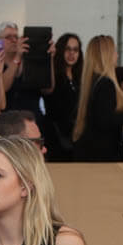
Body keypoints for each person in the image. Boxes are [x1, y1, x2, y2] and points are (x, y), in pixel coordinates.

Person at [72, 35, 123, 162]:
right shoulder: (106, 84)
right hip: (103, 154)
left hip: (87, 151)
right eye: (114, 51)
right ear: (106, 55)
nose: (117, 55)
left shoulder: (89, 81)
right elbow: (104, 120)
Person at [0, 21, 54, 122]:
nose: (14, 40)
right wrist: (17, 57)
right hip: (8, 123)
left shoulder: (31, 62)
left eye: (16, 37)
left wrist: (49, 58)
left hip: (33, 121)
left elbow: (48, 89)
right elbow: (3, 87)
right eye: (8, 37)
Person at [45, 32, 82, 161]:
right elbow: (49, 92)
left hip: (76, 137)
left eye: (75, 50)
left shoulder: (80, 78)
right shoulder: (54, 75)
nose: (72, 54)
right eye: (68, 49)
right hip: (56, 136)